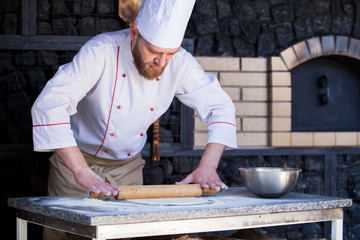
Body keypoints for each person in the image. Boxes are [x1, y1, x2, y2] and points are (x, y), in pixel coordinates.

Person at [31, 0, 237, 239]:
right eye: (154, 51)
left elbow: (220, 107)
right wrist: (81, 171)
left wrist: (208, 167)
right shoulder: (101, 51)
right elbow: (49, 104)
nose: (161, 62)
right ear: (134, 32)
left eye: (169, 53)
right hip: (74, 167)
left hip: (127, 171)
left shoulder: (180, 62)